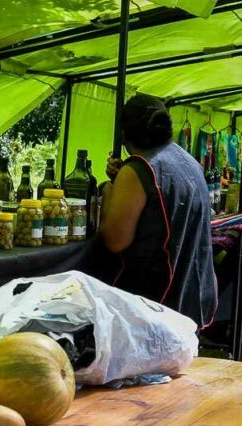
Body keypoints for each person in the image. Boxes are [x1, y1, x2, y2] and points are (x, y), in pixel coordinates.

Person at [96, 94, 217, 327]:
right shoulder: (189, 161)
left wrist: (110, 189)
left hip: (155, 301)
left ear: (124, 134)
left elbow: (115, 241)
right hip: (193, 296)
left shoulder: (139, 169)